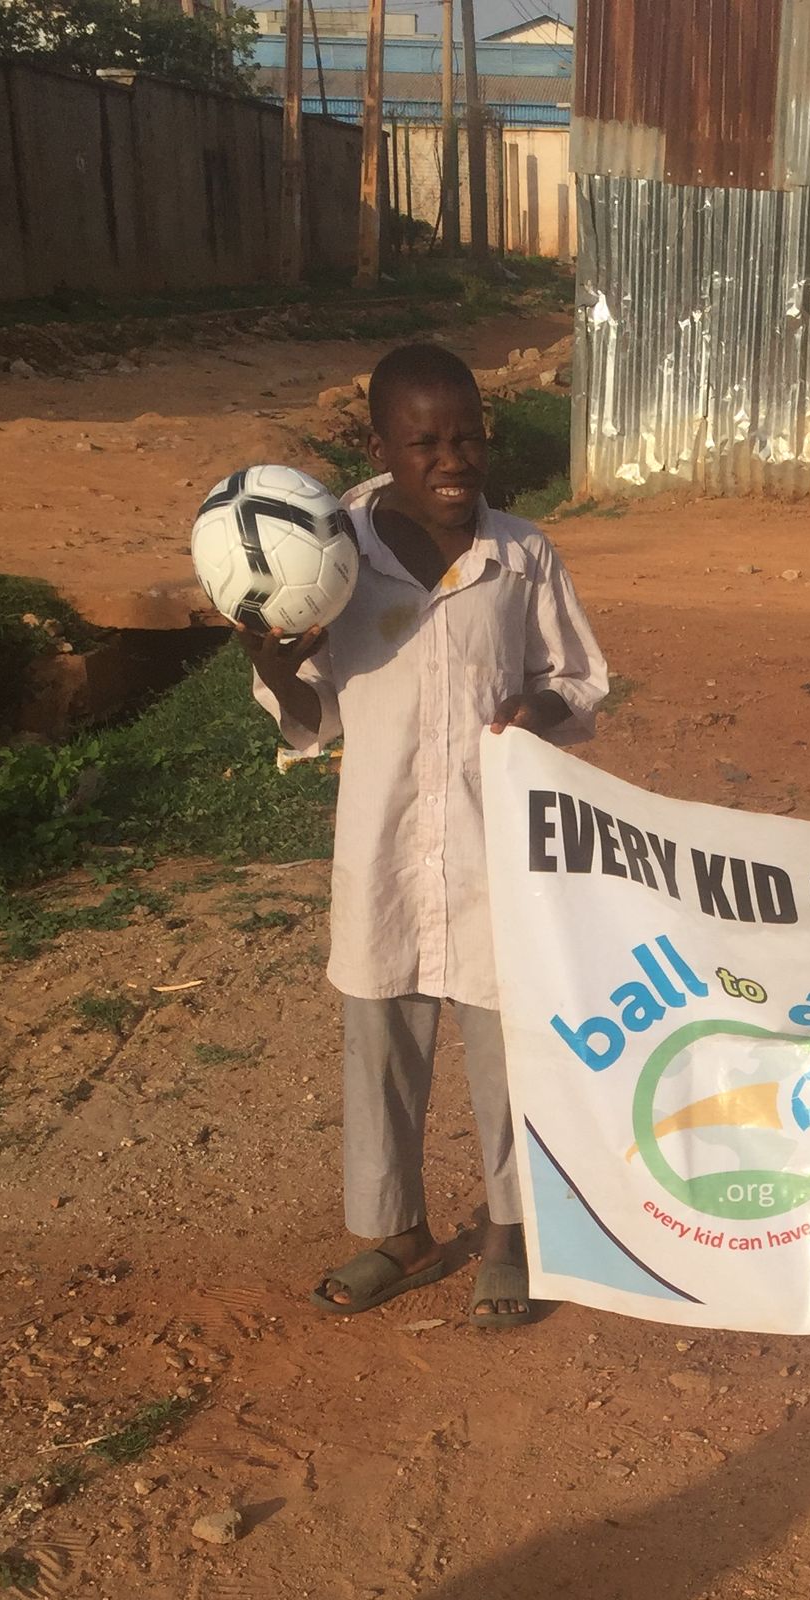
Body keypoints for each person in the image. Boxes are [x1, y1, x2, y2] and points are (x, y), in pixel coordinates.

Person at [244, 341, 607, 1327]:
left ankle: (513, 1231)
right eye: (426, 443)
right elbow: (310, 719)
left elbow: (578, 678)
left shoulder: (521, 557)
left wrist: (540, 708)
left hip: (496, 858)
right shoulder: (331, 565)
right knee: (382, 1046)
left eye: (469, 438)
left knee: (509, 1050)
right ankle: (397, 1233)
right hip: (386, 854)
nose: (454, 461)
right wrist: (275, 670)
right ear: (381, 449)